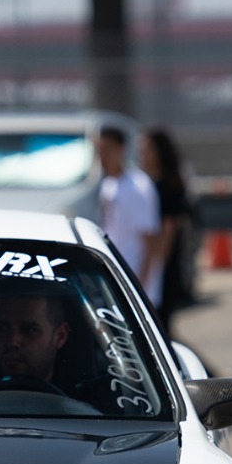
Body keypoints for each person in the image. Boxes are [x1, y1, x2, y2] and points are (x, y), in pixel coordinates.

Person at [140, 126, 195, 342]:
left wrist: (156, 265)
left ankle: (206, 373)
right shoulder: (145, 183)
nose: (143, 155)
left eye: (147, 149)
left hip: (164, 261)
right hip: (151, 257)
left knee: (162, 327)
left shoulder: (169, 183)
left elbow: (169, 229)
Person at [95, 125, 160, 296]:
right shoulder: (107, 185)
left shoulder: (139, 186)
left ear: (121, 150)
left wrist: (140, 287)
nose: (102, 156)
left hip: (138, 283)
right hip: (117, 277)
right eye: (100, 150)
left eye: (107, 150)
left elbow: (151, 242)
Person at [0, 287, 69, 385]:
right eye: (2, 328)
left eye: (30, 330)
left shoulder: (84, 399)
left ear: (60, 336)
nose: (12, 342)